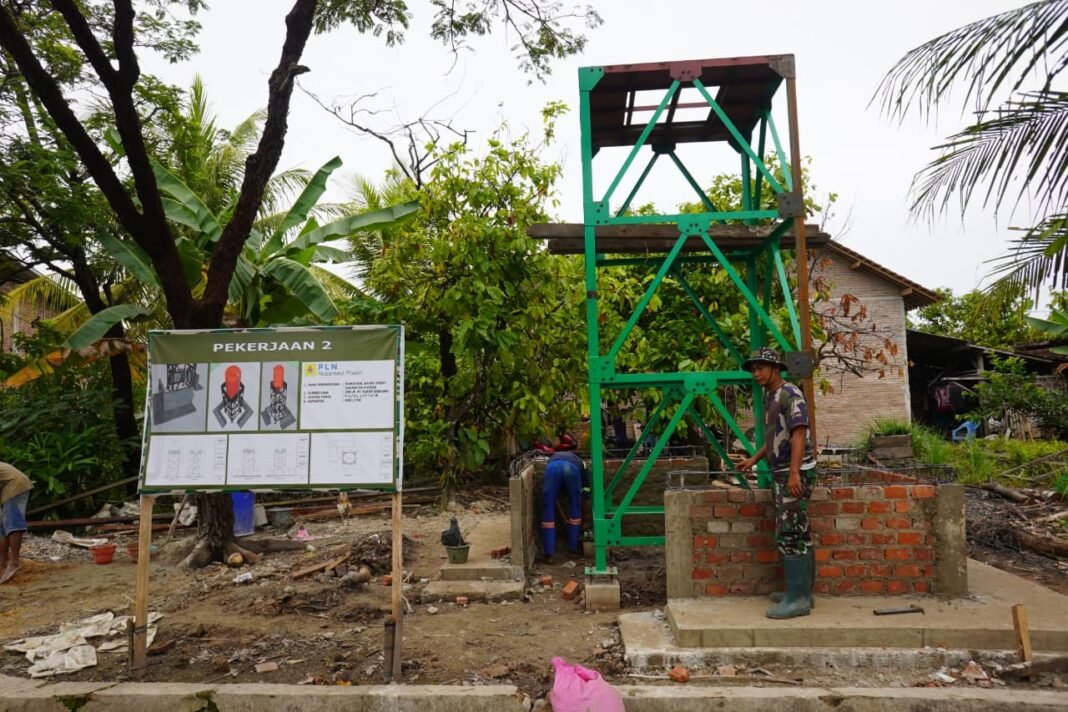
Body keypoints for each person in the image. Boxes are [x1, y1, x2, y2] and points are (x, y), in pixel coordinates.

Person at [737, 347, 816, 619]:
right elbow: (775, 437)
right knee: (799, 530)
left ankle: (798, 600)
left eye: (760, 368)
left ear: (775, 368)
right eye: (753, 369)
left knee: (790, 532)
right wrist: (754, 459)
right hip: (782, 471)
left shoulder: (789, 394)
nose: (756, 373)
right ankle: (802, 592)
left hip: (794, 472)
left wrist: (794, 473)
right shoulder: (771, 396)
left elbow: (799, 433)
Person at [540, 439, 588, 561]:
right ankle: (572, 549)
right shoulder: (581, 463)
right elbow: (585, 493)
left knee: (548, 507)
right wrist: (583, 520)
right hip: (571, 470)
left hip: (552, 469)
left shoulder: (554, 457)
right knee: (575, 507)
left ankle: (548, 554)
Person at [0, 461, 33, 585]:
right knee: (2, 527)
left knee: (13, 522)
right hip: (9, 487)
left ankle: (14, 562)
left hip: (15, 486)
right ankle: (2, 561)